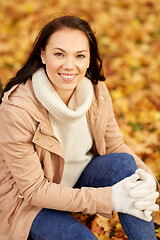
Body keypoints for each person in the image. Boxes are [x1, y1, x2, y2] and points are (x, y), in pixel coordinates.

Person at [0, 15, 159, 240]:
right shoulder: (17, 110)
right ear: (43, 55)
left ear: (89, 59)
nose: (69, 65)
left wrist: (148, 180)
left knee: (127, 166)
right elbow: (34, 190)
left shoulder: (96, 92)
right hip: (29, 206)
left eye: (80, 56)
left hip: (77, 184)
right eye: (59, 54)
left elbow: (115, 145)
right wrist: (111, 198)